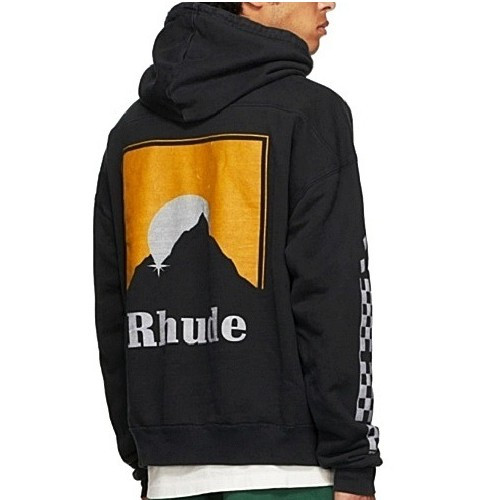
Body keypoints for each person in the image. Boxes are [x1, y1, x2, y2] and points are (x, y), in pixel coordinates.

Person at [92, 2, 383, 500]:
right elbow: (334, 296)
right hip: (292, 475)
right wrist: (354, 460)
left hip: (170, 477)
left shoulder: (130, 133)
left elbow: (113, 306)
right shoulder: (310, 114)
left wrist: (145, 451)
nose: (329, 2)